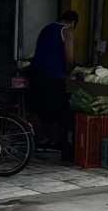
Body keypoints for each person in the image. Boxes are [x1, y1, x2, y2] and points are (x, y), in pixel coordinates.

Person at [30, 10, 78, 153]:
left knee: (38, 109)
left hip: (36, 74)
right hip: (54, 77)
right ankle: (55, 142)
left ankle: (38, 139)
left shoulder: (47, 28)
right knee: (56, 110)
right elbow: (69, 59)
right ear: (74, 22)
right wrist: (74, 71)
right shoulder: (68, 31)